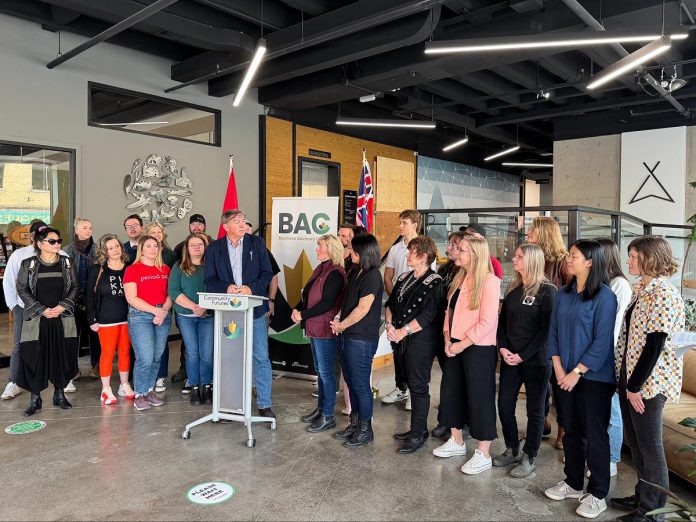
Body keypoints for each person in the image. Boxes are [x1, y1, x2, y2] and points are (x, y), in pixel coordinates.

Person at [611, 236, 685, 522]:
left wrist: (634, 386)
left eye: (632, 255)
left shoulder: (663, 292)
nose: (627, 261)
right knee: (637, 445)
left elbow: (655, 344)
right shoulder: (641, 289)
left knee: (651, 449)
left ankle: (653, 513)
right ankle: (643, 496)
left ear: (649, 258)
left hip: (648, 385)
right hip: (632, 379)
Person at [544, 239, 617, 520]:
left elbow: (602, 343)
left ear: (589, 262)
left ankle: (597, 494)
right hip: (564, 375)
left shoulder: (605, 297)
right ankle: (573, 483)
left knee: (595, 435)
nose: (568, 259)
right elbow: (553, 335)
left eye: (573, 256)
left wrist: (576, 372)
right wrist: (560, 370)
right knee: (571, 430)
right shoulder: (563, 293)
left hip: (595, 378)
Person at [433, 236, 500, 475]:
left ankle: (483, 453)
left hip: (478, 348)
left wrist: (460, 345)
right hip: (455, 345)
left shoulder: (490, 282)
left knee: (480, 398)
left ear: (476, 254)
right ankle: (457, 441)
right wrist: (447, 339)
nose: (456, 252)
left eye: (462, 250)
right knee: (451, 392)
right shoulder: (460, 278)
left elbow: (487, 322)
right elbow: (448, 314)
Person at [204, 210, 276, 419]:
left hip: (254, 312)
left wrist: (251, 288)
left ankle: (264, 403)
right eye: (237, 221)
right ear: (225, 226)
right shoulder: (215, 248)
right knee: (229, 358)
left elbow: (267, 274)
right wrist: (226, 287)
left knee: (260, 357)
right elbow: (209, 280)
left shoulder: (257, 243)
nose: (242, 224)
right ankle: (229, 404)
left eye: (243, 220)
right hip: (228, 314)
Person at [494, 244, 557, 478]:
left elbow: (546, 331)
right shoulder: (513, 289)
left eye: (519, 256)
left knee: (536, 410)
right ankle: (512, 447)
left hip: (536, 361)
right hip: (510, 359)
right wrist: (503, 349)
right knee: (504, 405)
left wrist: (522, 354)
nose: (514, 258)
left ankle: (530, 455)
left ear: (531, 260)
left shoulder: (548, 292)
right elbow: (502, 324)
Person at [386, 236, 444, 454]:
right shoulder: (404, 277)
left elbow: (429, 315)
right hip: (400, 339)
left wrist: (403, 331)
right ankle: (415, 430)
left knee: (419, 387)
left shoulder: (435, 282)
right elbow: (391, 303)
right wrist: (390, 325)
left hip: (420, 341)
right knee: (408, 382)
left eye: (411, 252)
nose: (407, 255)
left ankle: (418, 433)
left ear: (424, 256)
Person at [15, 226, 79, 416]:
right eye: (52, 241)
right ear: (40, 243)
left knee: (63, 354)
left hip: (62, 317)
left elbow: (75, 287)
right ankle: (35, 398)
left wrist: (62, 306)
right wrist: (41, 310)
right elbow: (21, 289)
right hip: (37, 319)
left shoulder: (67, 263)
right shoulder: (28, 263)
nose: (57, 244)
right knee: (34, 355)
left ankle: (59, 394)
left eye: (58, 240)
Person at [2, 221, 68, 401]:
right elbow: (10, 282)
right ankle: (14, 381)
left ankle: (62, 381)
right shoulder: (20, 255)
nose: (53, 242)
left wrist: (61, 306)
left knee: (57, 343)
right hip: (25, 309)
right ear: (33, 238)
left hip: (55, 310)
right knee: (21, 345)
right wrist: (14, 306)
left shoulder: (61, 254)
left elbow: (70, 284)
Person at [331, 234, 384, 448]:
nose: (350, 252)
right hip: (348, 336)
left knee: (361, 385)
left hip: (361, 338)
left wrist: (342, 325)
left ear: (364, 253)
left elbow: (363, 308)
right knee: (351, 382)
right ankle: (354, 424)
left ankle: (365, 429)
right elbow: (347, 303)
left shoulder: (372, 276)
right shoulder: (355, 272)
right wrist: (338, 319)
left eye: (353, 250)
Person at [292, 234, 347, 432]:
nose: (316, 250)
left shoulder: (335, 273)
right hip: (315, 327)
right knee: (321, 371)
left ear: (331, 249)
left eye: (320, 247)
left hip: (325, 329)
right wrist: (298, 310)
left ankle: (328, 415)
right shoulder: (322, 268)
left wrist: (303, 314)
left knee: (326, 373)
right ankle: (321, 409)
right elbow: (307, 295)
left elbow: (327, 303)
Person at [527, 215, 570, 449]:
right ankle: (541, 422)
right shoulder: (533, 259)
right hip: (534, 330)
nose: (528, 233)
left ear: (543, 233)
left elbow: (572, 296)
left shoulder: (563, 262)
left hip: (557, 333)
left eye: (532, 229)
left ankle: (564, 428)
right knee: (538, 381)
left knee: (557, 382)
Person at [594, 237, 632, 480]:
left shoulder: (620, 284)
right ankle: (597, 456)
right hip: (598, 356)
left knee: (613, 410)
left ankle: (611, 460)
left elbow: (615, 327)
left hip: (611, 357)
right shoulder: (602, 282)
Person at [123, 235, 172, 411]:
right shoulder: (132, 270)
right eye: (148, 246)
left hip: (162, 315)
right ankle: (140, 394)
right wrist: (155, 311)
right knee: (145, 357)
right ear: (141, 249)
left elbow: (171, 294)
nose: (153, 249)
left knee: (157, 356)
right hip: (140, 316)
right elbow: (131, 298)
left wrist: (163, 311)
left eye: (155, 246)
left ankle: (150, 390)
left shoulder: (165, 269)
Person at [85, 234, 134, 404]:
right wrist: (92, 319)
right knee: (107, 353)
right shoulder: (98, 269)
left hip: (127, 318)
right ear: (104, 251)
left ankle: (124, 384)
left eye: (117, 246)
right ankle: (106, 389)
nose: (115, 250)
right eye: (110, 248)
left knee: (125, 352)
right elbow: (89, 296)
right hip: (106, 320)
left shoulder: (129, 267)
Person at [382, 209, 422, 409]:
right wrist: (396, 299)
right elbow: (388, 277)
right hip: (397, 307)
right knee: (397, 349)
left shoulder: (424, 247)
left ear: (415, 225)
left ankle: (415, 392)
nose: (400, 227)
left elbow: (425, 280)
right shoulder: (396, 249)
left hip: (415, 310)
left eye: (404, 223)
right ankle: (401, 388)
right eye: (400, 222)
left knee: (412, 352)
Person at [169, 234, 213, 406]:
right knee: (193, 352)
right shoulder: (179, 266)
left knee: (207, 353)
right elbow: (174, 291)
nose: (196, 247)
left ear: (205, 246)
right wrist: (195, 307)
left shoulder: (212, 266)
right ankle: (194, 386)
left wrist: (205, 306)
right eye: (192, 244)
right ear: (187, 248)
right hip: (186, 317)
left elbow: (217, 288)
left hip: (208, 316)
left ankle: (207, 386)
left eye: (200, 244)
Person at [431, 231, 465, 440]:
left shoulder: (467, 273)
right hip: (442, 330)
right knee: (448, 381)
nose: (450, 248)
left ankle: (461, 422)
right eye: (451, 244)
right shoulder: (445, 269)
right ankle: (446, 419)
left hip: (459, 333)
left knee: (459, 381)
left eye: (455, 245)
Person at [65, 217, 101, 379]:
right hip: (73, 300)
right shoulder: (67, 250)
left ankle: (96, 366)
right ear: (76, 230)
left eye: (90, 228)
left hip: (93, 300)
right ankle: (73, 369)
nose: (88, 230)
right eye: (84, 227)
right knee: (73, 335)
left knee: (96, 335)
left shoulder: (99, 250)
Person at [144, 221, 176, 392]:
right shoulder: (139, 255)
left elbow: (174, 282)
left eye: (159, 232)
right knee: (145, 344)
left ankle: (160, 377)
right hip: (143, 307)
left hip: (165, 304)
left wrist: (164, 308)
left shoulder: (170, 256)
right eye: (153, 232)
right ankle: (145, 377)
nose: (157, 235)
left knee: (161, 343)